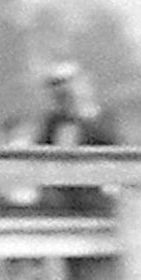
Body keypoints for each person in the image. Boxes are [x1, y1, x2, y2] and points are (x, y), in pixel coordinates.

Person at [34, 61, 122, 215]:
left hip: (96, 202)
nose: (62, 91)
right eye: (56, 86)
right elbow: (40, 158)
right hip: (58, 204)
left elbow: (115, 158)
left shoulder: (102, 121)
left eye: (66, 84)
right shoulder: (53, 123)